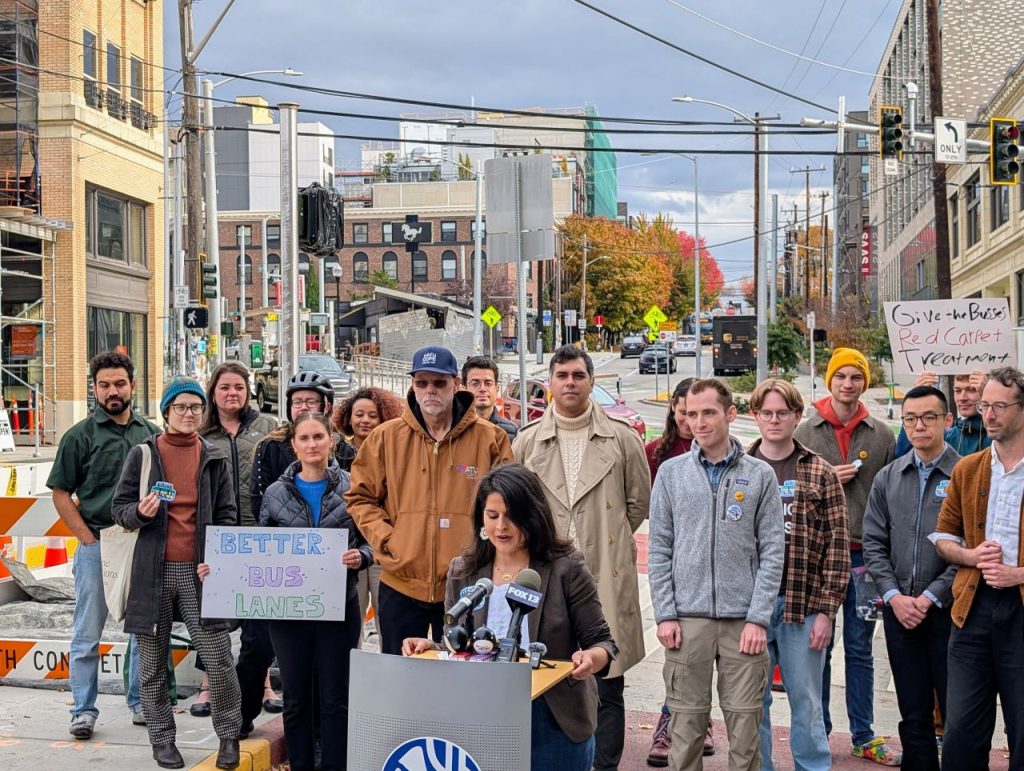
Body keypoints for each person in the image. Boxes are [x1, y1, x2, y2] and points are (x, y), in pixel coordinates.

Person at [402, 464, 617, 770]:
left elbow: (602, 643)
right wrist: (430, 648)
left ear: (533, 516)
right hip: (482, 711)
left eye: (512, 516)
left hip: (553, 716)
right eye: (492, 516)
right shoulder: (464, 571)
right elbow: (458, 647)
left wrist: (588, 661)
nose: (501, 526)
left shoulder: (566, 568)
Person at [513, 345, 651, 771]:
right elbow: (515, 507)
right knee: (542, 677)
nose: (570, 383)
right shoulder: (526, 442)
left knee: (607, 683)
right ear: (550, 383)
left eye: (578, 375)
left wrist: (603, 539)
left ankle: (605, 765)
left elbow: (637, 504)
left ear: (592, 381)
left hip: (603, 577)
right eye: (562, 376)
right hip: (544, 579)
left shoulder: (623, 440)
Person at [648, 377, 784, 771]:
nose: (699, 422)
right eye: (692, 414)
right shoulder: (672, 474)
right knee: (685, 731)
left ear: (730, 414)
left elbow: (773, 549)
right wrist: (666, 613)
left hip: (743, 622)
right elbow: (659, 547)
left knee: (745, 732)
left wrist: (759, 617)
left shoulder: (758, 475)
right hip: (686, 620)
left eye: (708, 412)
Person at [347, 345, 513, 655]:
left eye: (438, 382)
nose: (430, 391)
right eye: (421, 382)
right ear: (412, 385)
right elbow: (360, 497)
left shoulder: (491, 439)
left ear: (455, 384)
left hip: (467, 584)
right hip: (401, 581)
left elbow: (506, 503)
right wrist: (388, 539)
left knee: (463, 675)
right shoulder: (386, 438)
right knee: (400, 677)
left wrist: (484, 549)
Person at [111, 377, 242, 770]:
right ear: (166, 412)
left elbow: (227, 515)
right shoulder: (143, 454)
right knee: (151, 666)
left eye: (196, 408)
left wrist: (217, 558)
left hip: (199, 574)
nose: (189, 414)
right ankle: (162, 742)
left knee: (219, 659)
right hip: (151, 574)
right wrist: (140, 513)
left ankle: (229, 737)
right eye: (181, 407)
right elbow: (118, 509)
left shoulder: (213, 456)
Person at [793, 346, 900, 765]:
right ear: (830, 380)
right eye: (841, 376)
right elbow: (788, 488)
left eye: (856, 377)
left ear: (864, 384)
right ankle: (818, 729)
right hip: (818, 558)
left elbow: (892, 494)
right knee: (817, 646)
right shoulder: (805, 431)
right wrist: (823, 481)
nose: (848, 384)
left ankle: (864, 734)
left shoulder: (881, 434)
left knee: (860, 649)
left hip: (864, 559)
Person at [46, 351, 159, 738]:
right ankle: (83, 710)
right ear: (94, 388)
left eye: (120, 384)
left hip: (141, 545)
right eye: (105, 385)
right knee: (87, 632)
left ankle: (142, 702)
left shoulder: (151, 433)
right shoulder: (79, 436)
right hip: (97, 542)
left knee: (142, 629)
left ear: (132, 385)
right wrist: (87, 539)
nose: (113, 392)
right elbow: (61, 493)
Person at [256, 411, 371, 771]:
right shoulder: (275, 494)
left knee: (336, 697)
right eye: (304, 439)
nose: (311, 445)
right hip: (289, 611)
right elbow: (258, 551)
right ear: (293, 446)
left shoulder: (354, 488)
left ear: (331, 440)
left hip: (340, 605)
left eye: (318, 437)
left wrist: (361, 557)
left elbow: (373, 542)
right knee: (296, 698)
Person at [749, 378, 850, 771]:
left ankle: (813, 766)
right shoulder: (741, 469)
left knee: (806, 703)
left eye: (783, 413)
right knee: (751, 704)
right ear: (754, 416)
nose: (774, 420)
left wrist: (827, 612)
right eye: (766, 413)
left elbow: (837, 547)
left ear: (797, 416)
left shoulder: (820, 473)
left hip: (803, 606)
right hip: (750, 610)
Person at [932, 366, 1024, 769]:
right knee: (961, 735)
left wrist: (1019, 573)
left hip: (1020, 609)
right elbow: (943, 536)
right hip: (972, 610)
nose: (988, 414)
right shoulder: (968, 469)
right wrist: (970, 556)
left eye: (999, 406)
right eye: (985, 405)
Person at [863, 385, 958, 771]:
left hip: (950, 612)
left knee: (959, 712)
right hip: (899, 610)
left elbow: (975, 545)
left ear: (947, 421)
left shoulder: (967, 474)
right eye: (911, 419)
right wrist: (893, 596)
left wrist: (932, 595)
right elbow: (873, 542)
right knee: (913, 709)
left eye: (929, 417)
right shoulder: (889, 477)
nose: (920, 426)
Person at [242, 370, 341, 734]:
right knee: (260, 647)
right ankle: (243, 714)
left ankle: (322, 740)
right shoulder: (270, 448)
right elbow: (261, 505)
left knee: (326, 672)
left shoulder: (342, 454)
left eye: (310, 401)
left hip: (331, 580)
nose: (302, 407)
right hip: (282, 572)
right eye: (297, 402)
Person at [196, 362, 280, 722]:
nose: (233, 393)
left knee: (258, 615)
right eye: (225, 387)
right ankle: (208, 686)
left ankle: (262, 685)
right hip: (218, 536)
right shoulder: (201, 435)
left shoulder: (268, 428)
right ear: (213, 392)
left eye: (239, 387)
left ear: (249, 392)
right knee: (213, 614)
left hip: (259, 536)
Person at [644, 377, 713, 766]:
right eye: (685, 411)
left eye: (700, 412)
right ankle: (668, 725)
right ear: (674, 409)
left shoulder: (721, 450)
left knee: (709, 659)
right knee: (679, 658)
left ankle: (701, 723)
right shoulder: (657, 453)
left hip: (716, 570)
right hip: (674, 565)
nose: (692, 420)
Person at [331, 387, 404, 636]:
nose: (365, 421)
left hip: (386, 543)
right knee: (351, 623)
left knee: (390, 621)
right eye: (359, 414)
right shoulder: (337, 453)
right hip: (351, 546)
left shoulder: (395, 450)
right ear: (348, 417)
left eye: (373, 415)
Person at [893, 370, 989, 457]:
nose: (962, 398)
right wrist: (914, 401)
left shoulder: (998, 434)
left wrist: (990, 399)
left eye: (972, 390)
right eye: (958, 391)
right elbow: (902, 459)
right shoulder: (949, 436)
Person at [461, 355, 518, 441]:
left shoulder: (512, 433)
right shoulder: (453, 430)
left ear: (497, 389)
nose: (482, 389)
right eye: (475, 383)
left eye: (488, 383)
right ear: (464, 389)